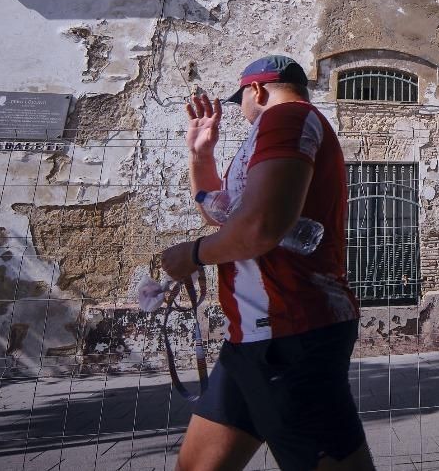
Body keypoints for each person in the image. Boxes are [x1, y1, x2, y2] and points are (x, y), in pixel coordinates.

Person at [160, 55, 374, 471]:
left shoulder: (288, 118)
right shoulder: (270, 132)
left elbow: (258, 228)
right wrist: (201, 155)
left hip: (291, 333)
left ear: (255, 90)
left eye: (239, 99)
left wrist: (193, 254)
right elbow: (227, 214)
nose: (239, 110)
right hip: (251, 339)